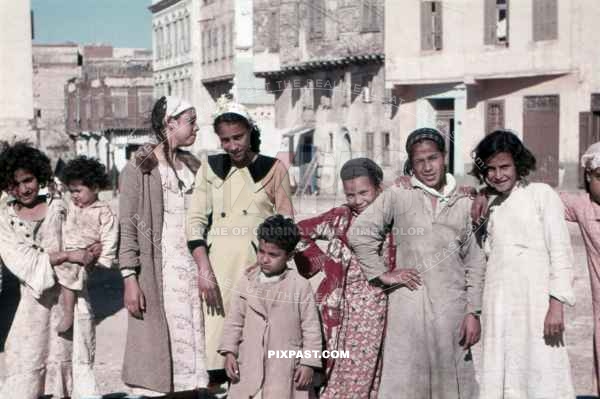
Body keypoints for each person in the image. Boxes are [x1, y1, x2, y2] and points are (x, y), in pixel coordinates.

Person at [348, 128, 486, 399]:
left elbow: (475, 261)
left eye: (432, 158)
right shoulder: (399, 195)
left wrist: (474, 313)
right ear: (411, 164)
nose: (427, 167)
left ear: (444, 157)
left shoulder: (464, 201)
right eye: (419, 161)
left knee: (453, 384)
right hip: (409, 307)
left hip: (451, 311)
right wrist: (383, 274)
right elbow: (359, 233)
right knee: (407, 382)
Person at [186, 96, 294, 382]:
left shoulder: (274, 170)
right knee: (215, 343)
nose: (232, 145)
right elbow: (195, 221)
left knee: (255, 337)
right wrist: (203, 269)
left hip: (258, 268)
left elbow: (286, 222)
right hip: (217, 269)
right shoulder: (209, 168)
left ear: (251, 133)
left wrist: (274, 266)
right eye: (225, 140)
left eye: (238, 137)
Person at [470, 129, 575, 398]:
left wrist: (556, 306)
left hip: (536, 304)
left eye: (505, 166)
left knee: (541, 372)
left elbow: (561, 253)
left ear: (518, 163)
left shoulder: (542, 195)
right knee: (504, 372)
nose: (498, 174)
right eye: (490, 169)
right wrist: (482, 193)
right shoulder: (490, 206)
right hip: (500, 306)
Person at [119, 96, 209, 397]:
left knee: (191, 355)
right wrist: (130, 279)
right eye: (191, 121)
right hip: (158, 272)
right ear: (170, 123)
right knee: (159, 356)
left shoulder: (192, 165)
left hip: (190, 272)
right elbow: (127, 226)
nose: (196, 127)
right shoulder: (140, 167)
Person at [0, 142, 101, 399]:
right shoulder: (5, 220)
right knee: (28, 369)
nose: (24, 188)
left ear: (39, 175)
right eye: (16, 184)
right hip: (32, 308)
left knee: (69, 371)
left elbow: (85, 237)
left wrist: (91, 250)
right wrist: (67, 255)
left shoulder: (60, 206)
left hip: (71, 302)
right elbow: (25, 262)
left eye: (29, 180)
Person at [294, 158, 395, 398]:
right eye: (351, 195)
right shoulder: (341, 217)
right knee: (334, 369)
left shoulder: (392, 218)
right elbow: (298, 231)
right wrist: (320, 262)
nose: (357, 201)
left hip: (377, 308)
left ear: (379, 187)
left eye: (364, 192)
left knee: (368, 372)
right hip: (338, 306)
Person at [218, 215, 322, 399]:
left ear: (289, 256)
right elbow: (234, 321)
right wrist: (229, 352)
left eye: (273, 255)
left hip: (284, 369)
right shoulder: (246, 282)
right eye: (261, 251)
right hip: (249, 365)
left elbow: (311, 329)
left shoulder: (300, 286)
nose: (264, 259)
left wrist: (308, 363)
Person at [54, 156, 118, 334]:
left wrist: (103, 260)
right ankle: (69, 313)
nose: (74, 195)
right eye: (71, 191)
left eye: (78, 191)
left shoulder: (103, 211)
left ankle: (67, 316)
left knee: (69, 275)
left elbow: (110, 236)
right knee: (63, 276)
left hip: (84, 254)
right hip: (68, 249)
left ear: (95, 188)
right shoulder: (72, 207)